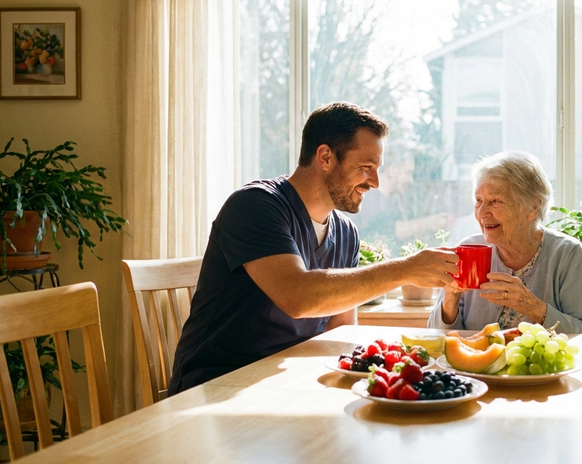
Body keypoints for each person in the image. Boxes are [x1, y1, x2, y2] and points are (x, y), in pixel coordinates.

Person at [169, 101, 459, 394]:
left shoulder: (346, 234)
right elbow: (298, 297)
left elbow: (342, 328)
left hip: (288, 383)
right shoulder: (254, 206)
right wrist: (405, 270)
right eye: (365, 167)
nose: (374, 182)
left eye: (377, 169)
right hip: (218, 385)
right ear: (325, 157)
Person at [427, 151, 582, 335]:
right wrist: (450, 300)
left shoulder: (566, 254)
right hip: (478, 363)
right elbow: (435, 337)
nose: (481, 214)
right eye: (479, 200)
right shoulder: (469, 249)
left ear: (533, 207)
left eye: (495, 201)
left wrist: (534, 307)